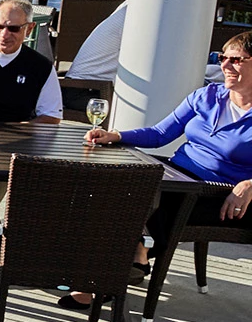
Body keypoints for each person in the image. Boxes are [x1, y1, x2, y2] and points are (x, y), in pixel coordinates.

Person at [82, 30, 252, 293]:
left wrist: (250, 185)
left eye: (237, 60)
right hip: (178, 174)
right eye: (222, 58)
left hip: (220, 194)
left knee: (158, 201)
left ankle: (113, 272)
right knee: (119, 184)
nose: (225, 66)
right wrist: (115, 135)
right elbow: (160, 134)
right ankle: (126, 259)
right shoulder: (206, 96)